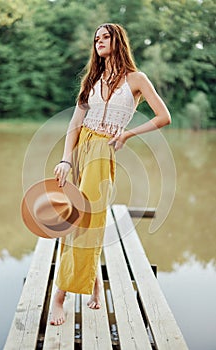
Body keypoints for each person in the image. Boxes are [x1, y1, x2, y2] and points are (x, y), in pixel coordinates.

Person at [50, 23, 171, 326]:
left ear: (117, 41)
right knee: (80, 216)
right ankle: (93, 287)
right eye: (96, 39)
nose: (99, 42)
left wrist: (128, 134)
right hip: (82, 149)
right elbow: (75, 123)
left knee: (87, 219)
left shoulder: (136, 79)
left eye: (105, 37)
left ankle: (59, 298)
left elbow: (164, 116)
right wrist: (65, 159)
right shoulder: (92, 79)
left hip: (104, 151)